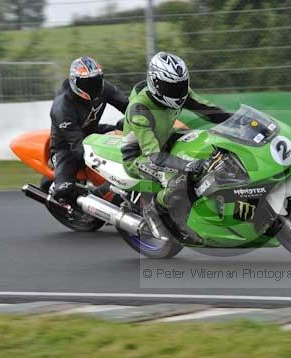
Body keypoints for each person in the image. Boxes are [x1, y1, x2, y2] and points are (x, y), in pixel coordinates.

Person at [121, 51, 232, 241]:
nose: (178, 92)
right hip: (141, 157)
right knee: (179, 181)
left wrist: (237, 122)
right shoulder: (139, 109)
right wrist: (187, 166)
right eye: (171, 87)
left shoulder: (179, 92)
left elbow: (209, 111)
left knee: (209, 145)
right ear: (155, 83)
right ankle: (155, 211)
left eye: (181, 85)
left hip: (166, 140)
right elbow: (153, 156)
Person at [49, 56, 129, 202]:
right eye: (86, 83)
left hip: (93, 132)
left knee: (125, 130)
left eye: (96, 80)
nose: (92, 86)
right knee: (63, 191)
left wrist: (140, 120)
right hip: (67, 146)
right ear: (74, 82)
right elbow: (78, 146)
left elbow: (128, 106)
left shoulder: (104, 88)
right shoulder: (62, 107)